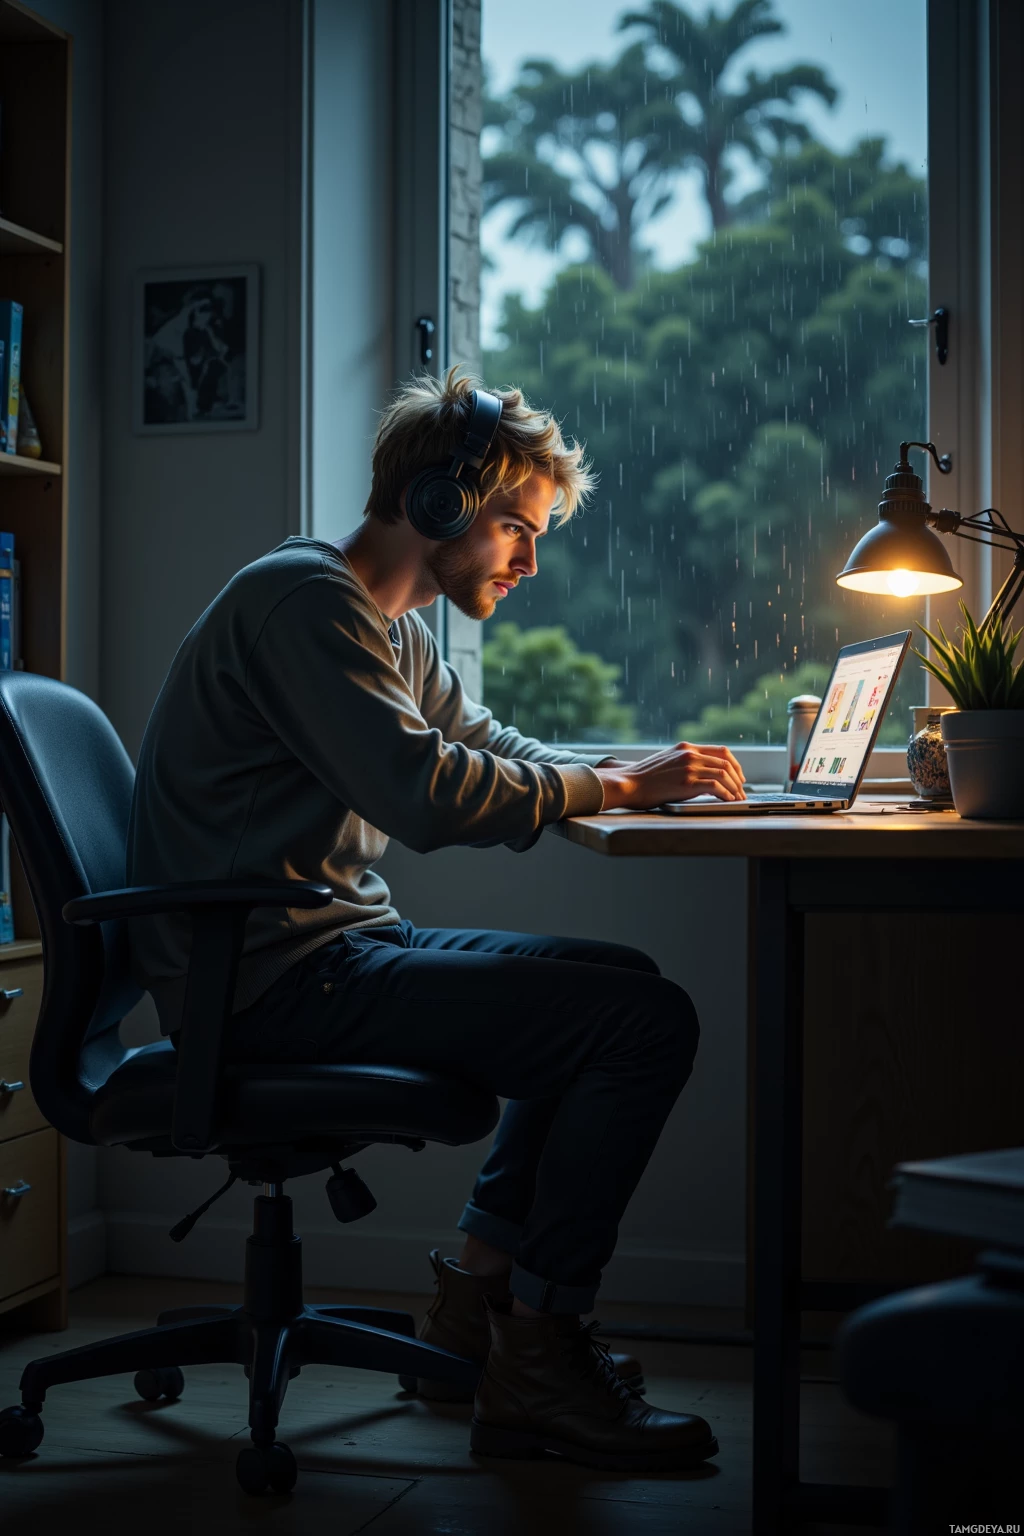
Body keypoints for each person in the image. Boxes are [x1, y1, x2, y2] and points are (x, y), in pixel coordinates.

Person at [127, 367, 746, 1472]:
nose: (528, 561)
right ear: (439, 505)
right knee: (638, 1026)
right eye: (516, 528)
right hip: (271, 984)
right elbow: (424, 794)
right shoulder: (304, 604)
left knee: (621, 983)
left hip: (331, 953)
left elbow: (493, 750)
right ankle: (539, 1359)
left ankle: (478, 1312)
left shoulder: (390, 625)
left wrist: (623, 772)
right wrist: (615, 791)